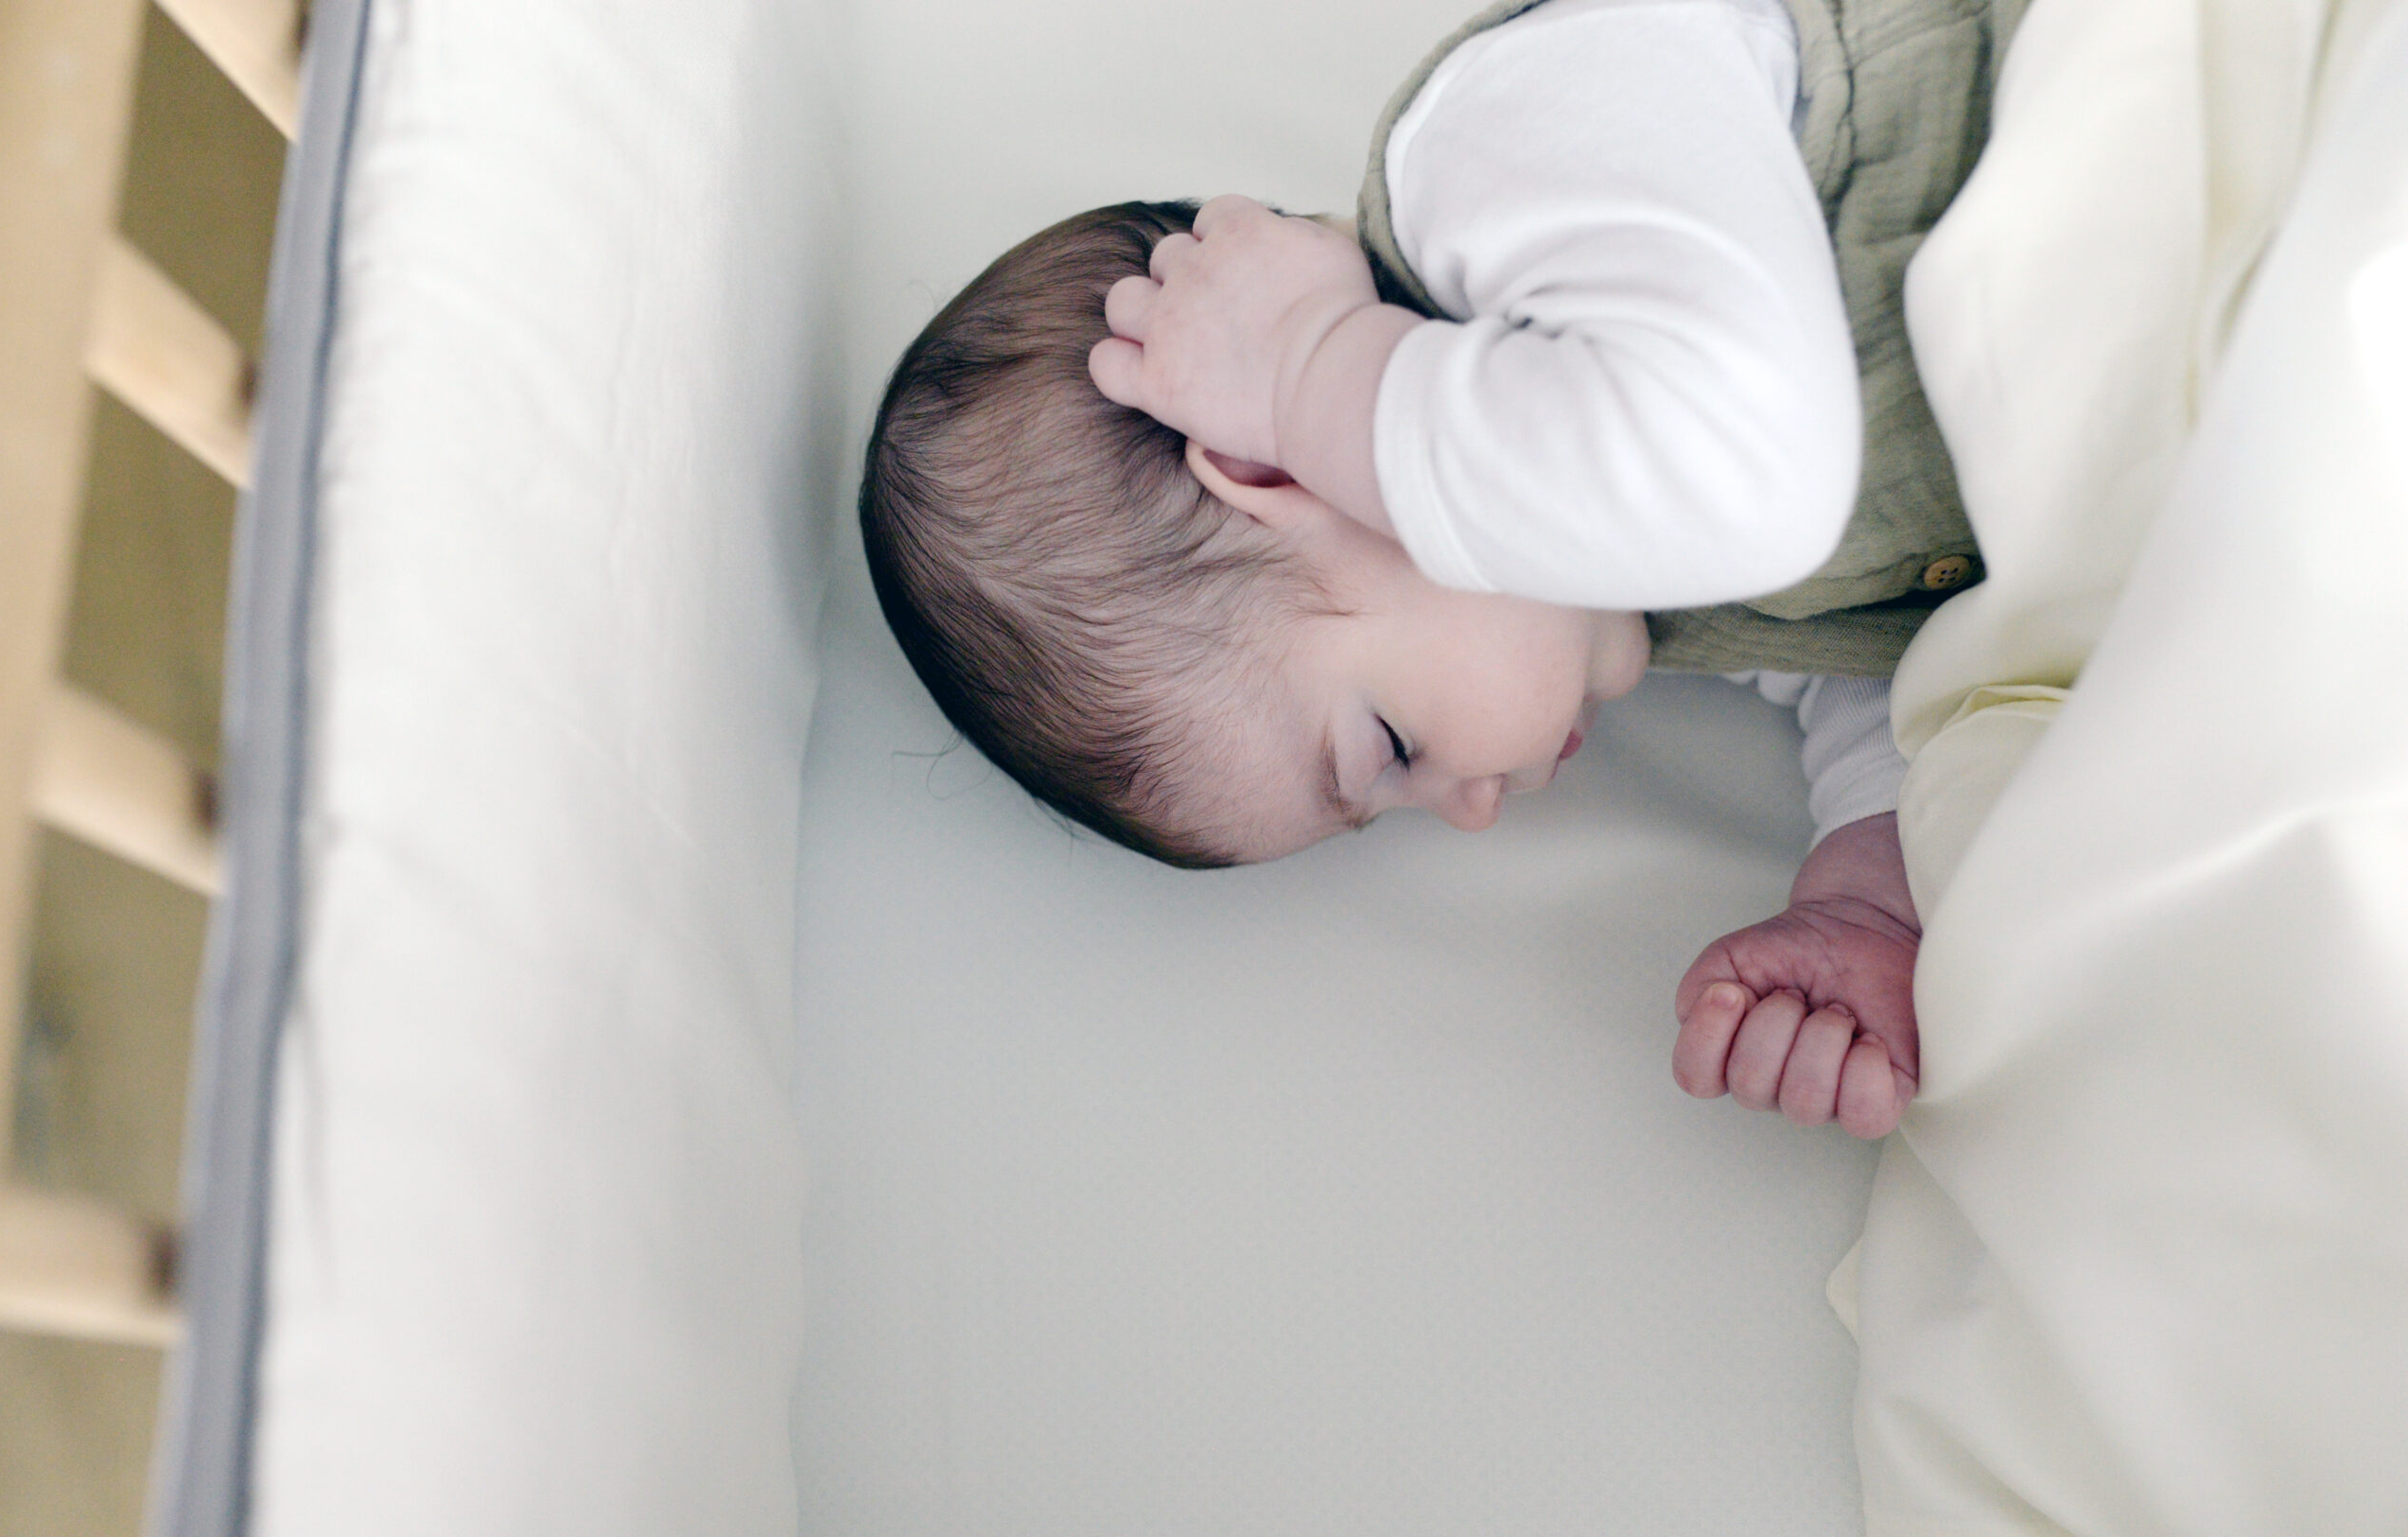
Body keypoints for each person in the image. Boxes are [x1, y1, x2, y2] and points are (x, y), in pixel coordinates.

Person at [862, 0, 2012, 1138]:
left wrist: (1316, 366)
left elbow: (1759, 475)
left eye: (1389, 747)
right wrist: (1871, 882)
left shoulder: (1484, 166)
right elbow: (1876, 657)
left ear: (1273, 464)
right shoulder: (1636, 586)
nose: (1473, 810)